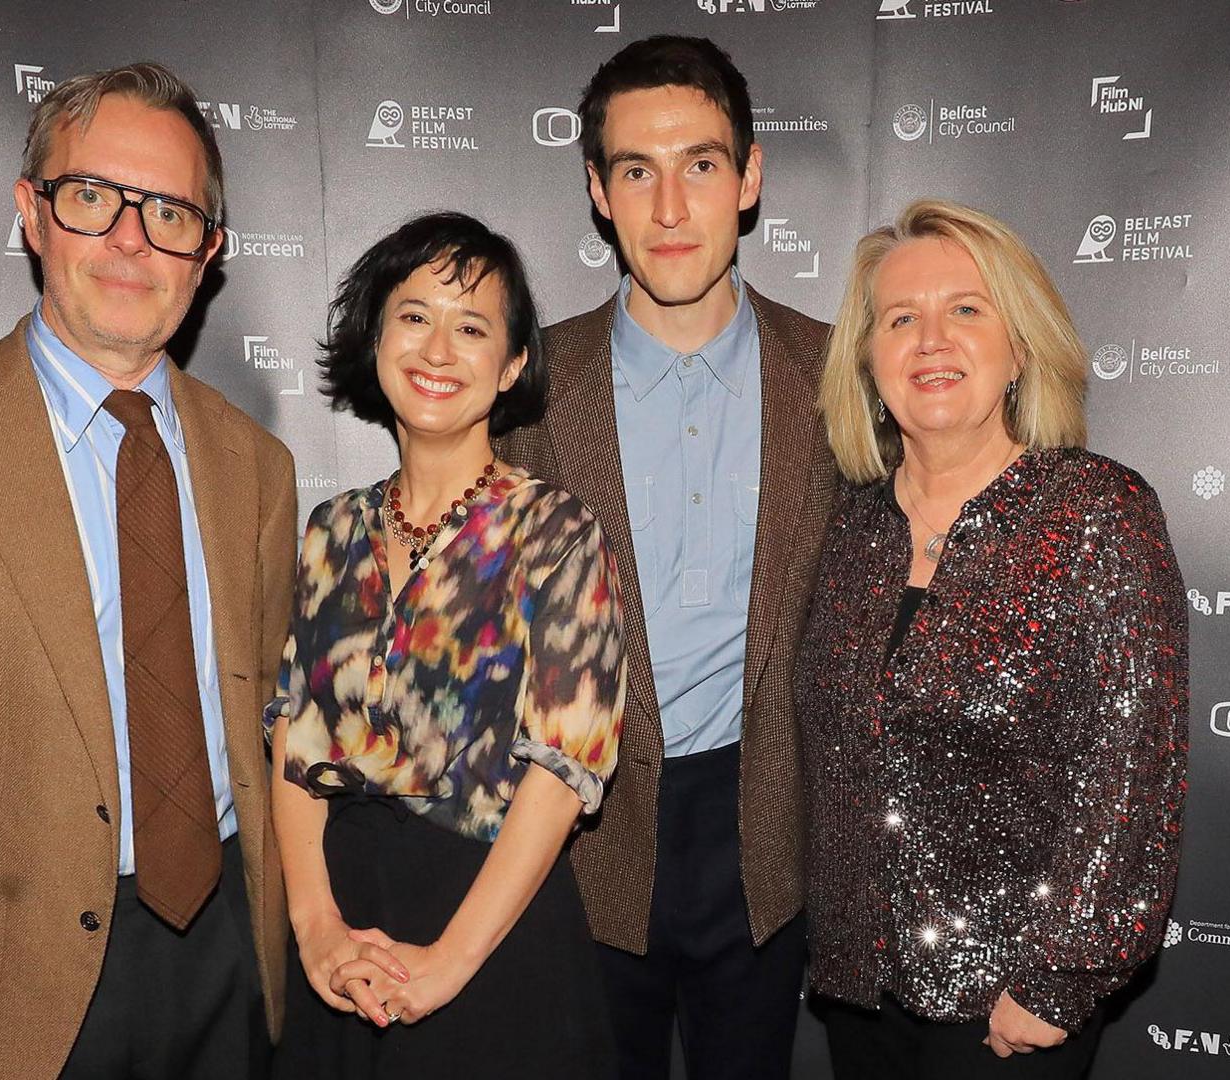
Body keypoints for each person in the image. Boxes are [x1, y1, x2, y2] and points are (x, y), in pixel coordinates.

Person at [0, 62, 295, 1080]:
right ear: (31, 214)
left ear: (207, 253)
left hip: (230, 960)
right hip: (11, 990)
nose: (131, 237)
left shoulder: (258, 466)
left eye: (169, 211)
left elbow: (270, 732)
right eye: (93, 198)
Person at [496, 35, 836, 1079]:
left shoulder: (839, 377)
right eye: (637, 172)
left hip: (771, 833)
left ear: (752, 176)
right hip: (581, 841)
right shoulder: (524, 394)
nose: (672, 208)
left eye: (700, 164)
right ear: (598, 191)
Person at [795, 198, 1190, 1078]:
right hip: (861, 992)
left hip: (1006, 1010)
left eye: (966, 310)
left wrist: (1060, 979)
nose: (931, 340)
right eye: (901, 319)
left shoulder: (1098, 516)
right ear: (869, 360)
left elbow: (1131, 771)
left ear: (1019, 348)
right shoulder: (854, 527)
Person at [266, 211, 625, 1079]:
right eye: (415, 315)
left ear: (510, 366)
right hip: (344, 921)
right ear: (376, 337)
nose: (437, 349)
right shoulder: (332, 529)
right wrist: (316, 933)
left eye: (472, 328)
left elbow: (562, 770)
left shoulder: (556, 531)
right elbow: (294, 737)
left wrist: (450, 961)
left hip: (496, 925)